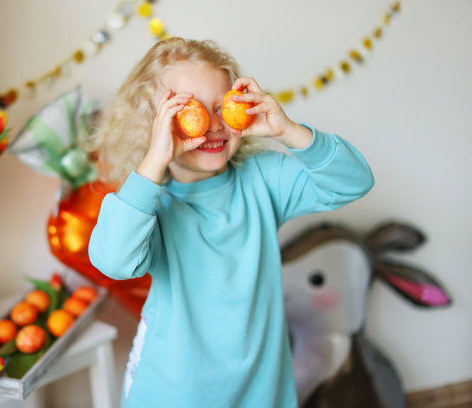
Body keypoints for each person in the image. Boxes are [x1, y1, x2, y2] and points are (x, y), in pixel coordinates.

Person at [87, 37, 374, 408]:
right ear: (153, 127)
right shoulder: (148, 207)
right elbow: (113, 260)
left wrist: (288, 131)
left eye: (222, 107)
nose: (213, 125)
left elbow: (354, 181)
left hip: (261, 386)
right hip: (175, 392)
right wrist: (153, 163)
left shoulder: (262, 179)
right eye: (188, 111)